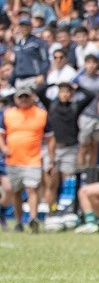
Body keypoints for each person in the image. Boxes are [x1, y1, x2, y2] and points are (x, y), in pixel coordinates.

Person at [0, 86, 52, 232]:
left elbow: (50, 138)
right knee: (16, 191)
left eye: (26, 97)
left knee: (32, 189)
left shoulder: (41, 114)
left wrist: (50, 158)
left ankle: (33, 218)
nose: (24, 100)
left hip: (33, 159)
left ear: (32, 97)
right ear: (16, 99)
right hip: (13, 159)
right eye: (21, 97)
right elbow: (1, 134)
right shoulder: (8, 114)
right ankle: (18, 222)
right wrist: (3, 148)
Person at [38, 82, 94, 213]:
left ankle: (67, 211)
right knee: (51, 184)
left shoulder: (75, 107)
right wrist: (52, 84)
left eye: (68, 92)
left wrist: (78, 87)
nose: (65, 94)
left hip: (70, 149)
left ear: (72, 94)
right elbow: (39, 91)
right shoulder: (51, 105)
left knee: (68, 183)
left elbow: (90, 95)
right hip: (53, 149)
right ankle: (52, 211)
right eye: (62, 91)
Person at [75, 54, 99, 166]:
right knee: (83, 145)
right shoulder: (79, 79)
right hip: (85, 115)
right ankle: (80, 172)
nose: (91, 65)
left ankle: (91, 173)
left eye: (94, 63)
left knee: (95, 145)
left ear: (97, 64)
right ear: (85, 65)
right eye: (88, 63)